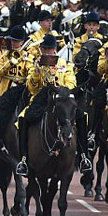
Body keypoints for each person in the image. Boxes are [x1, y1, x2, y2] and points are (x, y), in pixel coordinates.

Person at [15, 34, 91, 175]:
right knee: (23, 117)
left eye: (49, 49)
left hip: (61, 98)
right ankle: (24, 159)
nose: (47, 52)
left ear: (55, 49)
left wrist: (60, 90)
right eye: (44, 49)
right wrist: (37, 73)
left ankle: (83, 156)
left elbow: (71, 82)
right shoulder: (36, 63)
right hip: (42, 98)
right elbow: (31, 88)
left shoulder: (64, 64)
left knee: (81, 116)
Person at [0, 26, 33, 168]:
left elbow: (30, 74)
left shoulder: (28, 56)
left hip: (22, 91)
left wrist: (26, 62)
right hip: (4, 91)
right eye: (12, 40)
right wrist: (10, 60)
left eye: (16, 41)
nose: (13, 43)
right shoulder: (1, 54)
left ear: (22, 42)